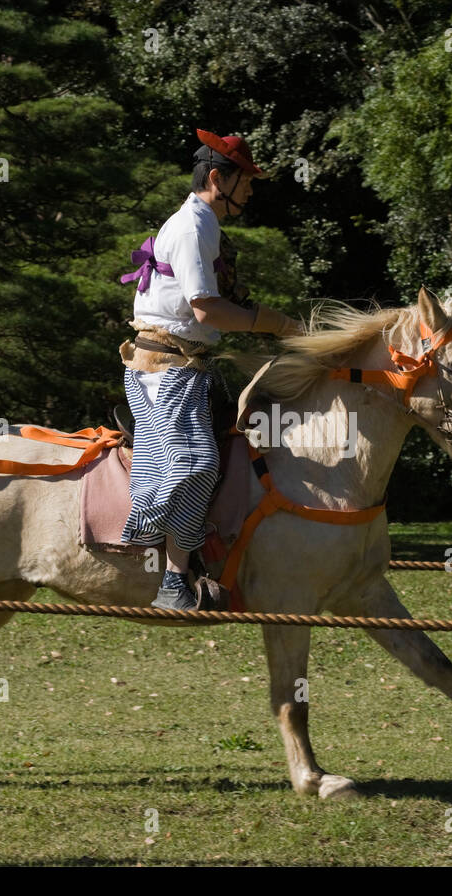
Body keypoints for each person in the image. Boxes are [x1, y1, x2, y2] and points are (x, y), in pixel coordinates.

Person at [119, 129, 302, 610]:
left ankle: (191, 566)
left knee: (222, 452)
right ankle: (164, 570)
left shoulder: (201, 224)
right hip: (167, 371)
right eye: (247, 181)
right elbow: (205, 311)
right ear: (218, 179)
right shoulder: (195, 226)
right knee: (198, 464)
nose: (252, 191)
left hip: (179, 368)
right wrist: (274, 323)